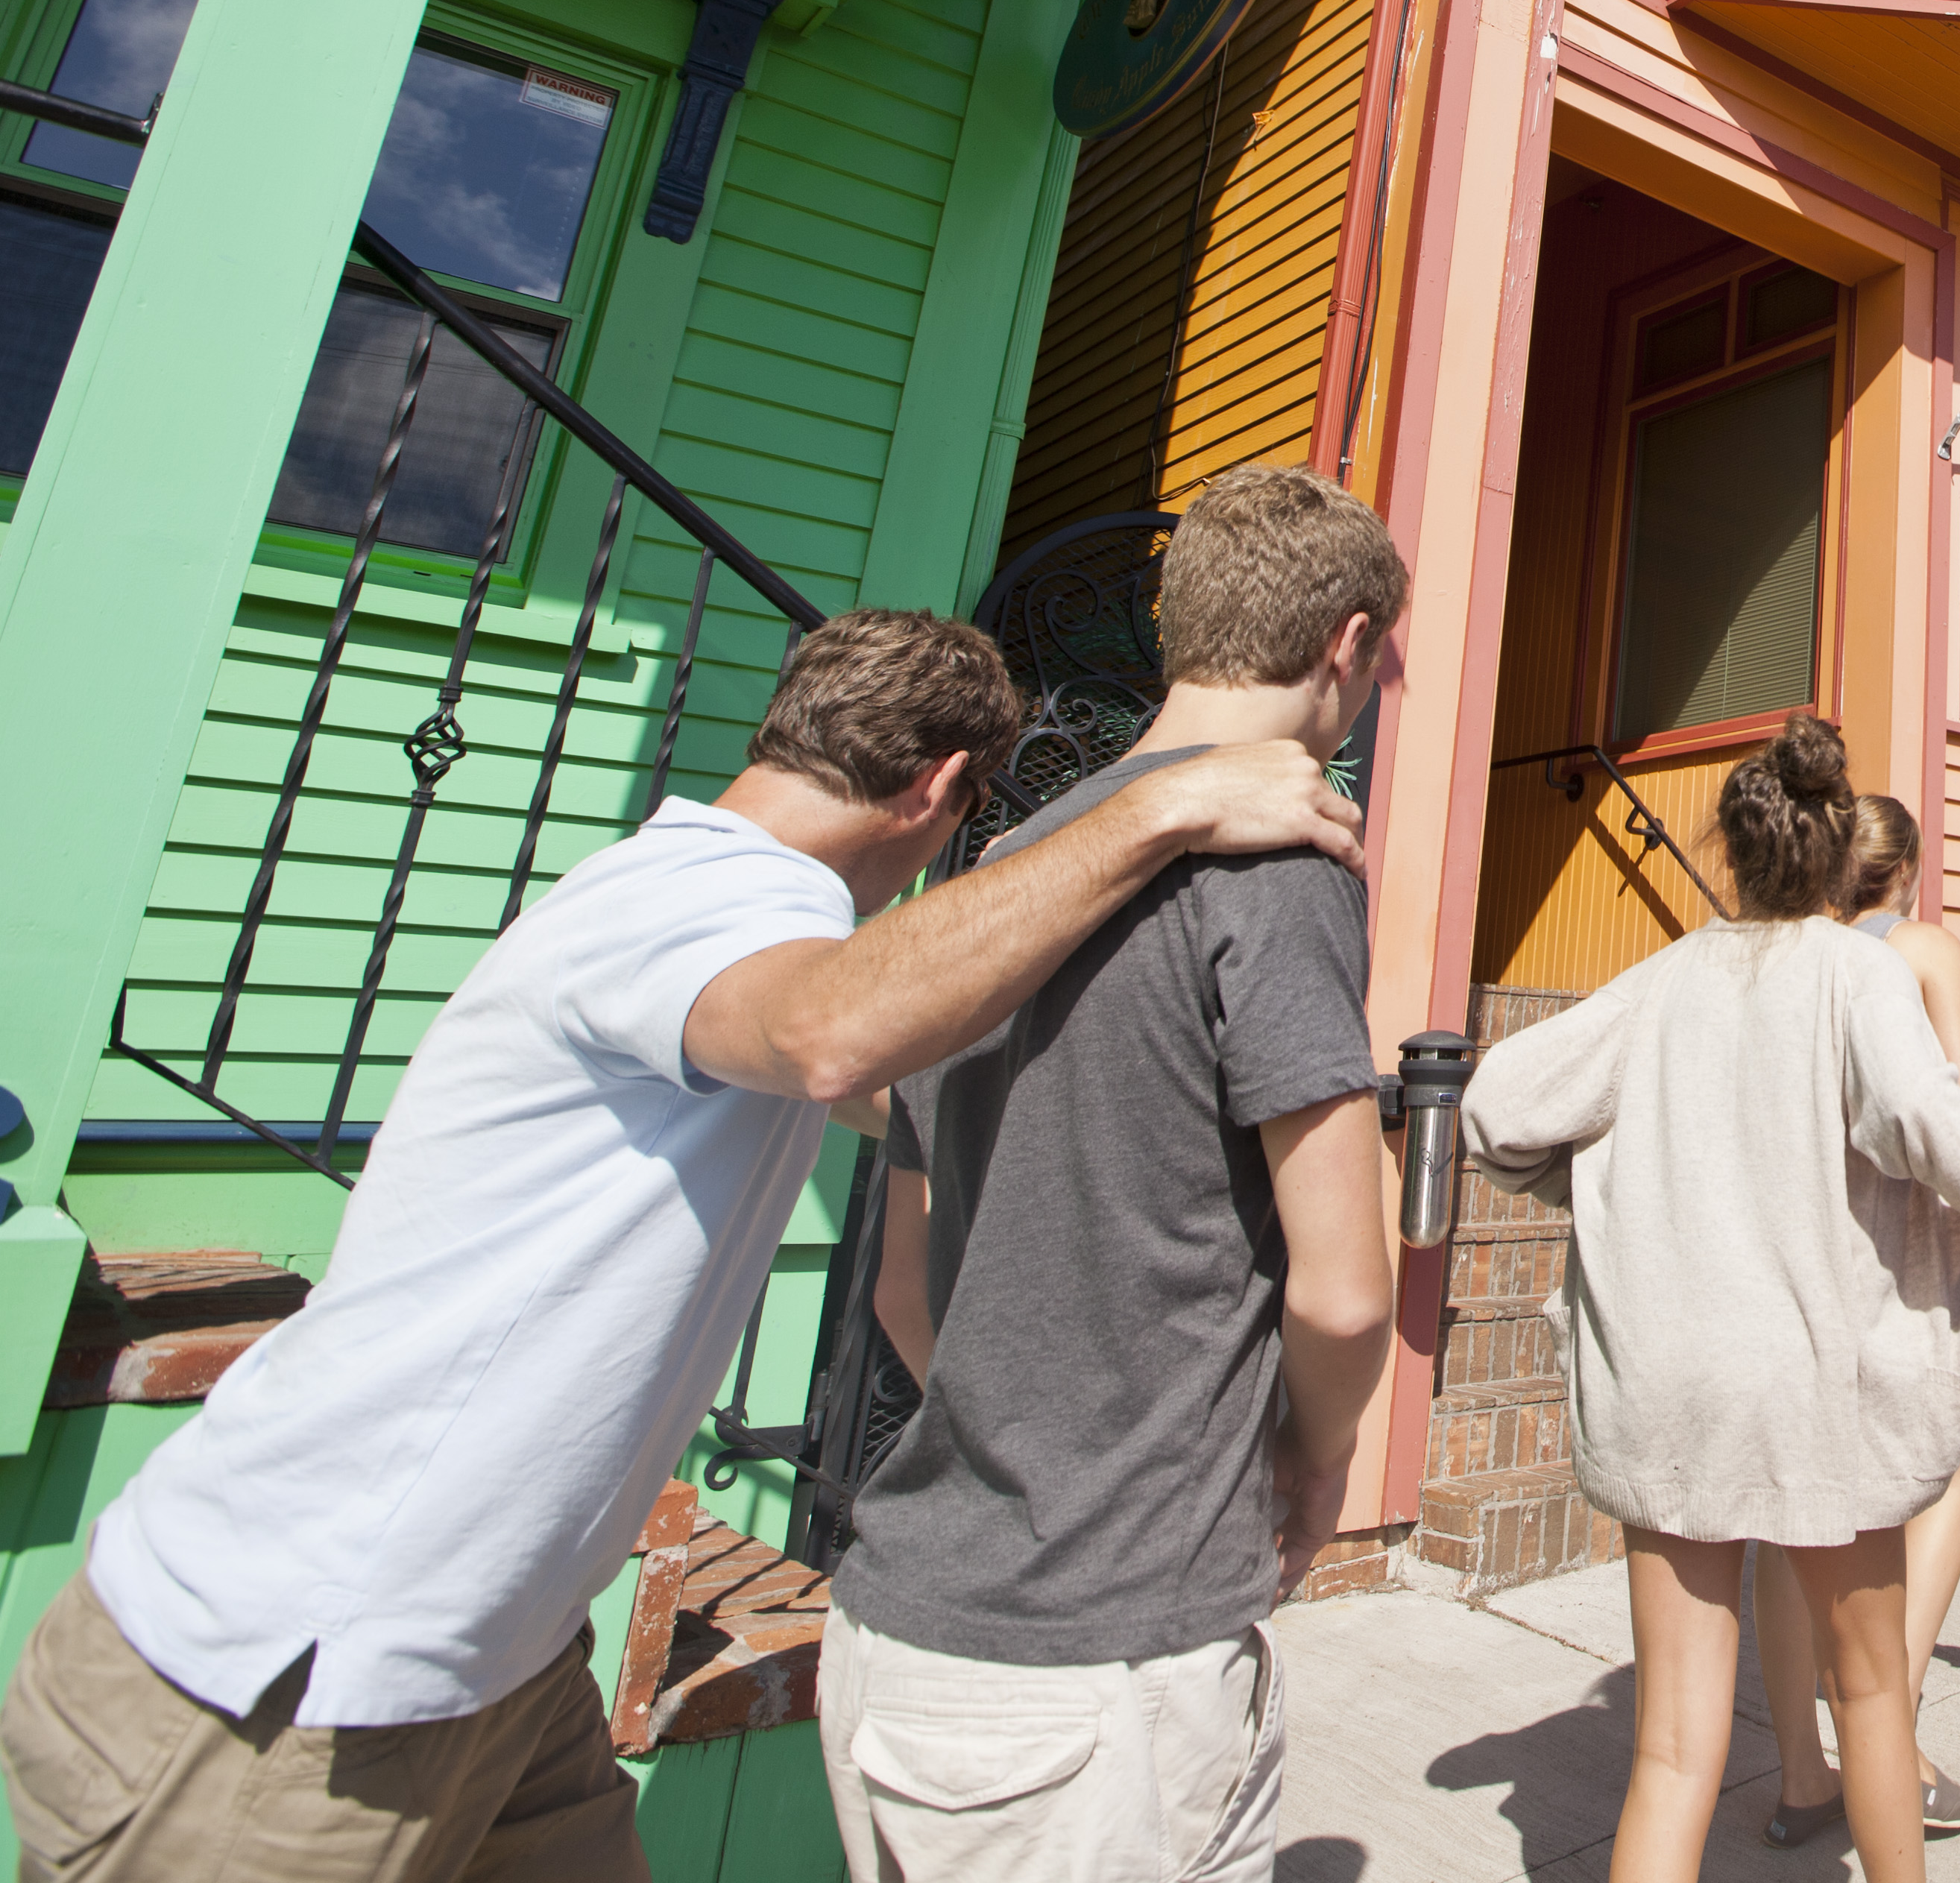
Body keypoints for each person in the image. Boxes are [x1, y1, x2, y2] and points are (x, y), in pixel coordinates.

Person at [1, 610, 1366, 1882]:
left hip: (505, 1661)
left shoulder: (728, 927)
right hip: (298, 1673)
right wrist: (1164, 800)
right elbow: (837, 1034)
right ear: (943, 793)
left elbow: (942, 1090)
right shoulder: (706, 907)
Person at [821, 467, 1409, 1883]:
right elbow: (1341, 1293)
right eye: (1386, 649)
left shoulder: (1006, 866)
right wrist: (1316, 1461)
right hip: (1099, 1678)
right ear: (1342, 643)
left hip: (897, 1632)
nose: (1385, 675)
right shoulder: (1277, 853)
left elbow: (907, 1290)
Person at [1461, 722, 1960, 1883]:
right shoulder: (1857, 972)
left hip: (1667, 1382)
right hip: (1816, 1387)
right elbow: (1931, 1120)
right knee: (1873, 1696)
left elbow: (1499, 1107)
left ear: (1734, 856)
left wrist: (1589, 1180)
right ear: (1838, 859)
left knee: (1670, 1748)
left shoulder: (1660, 979)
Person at [1756, 794, 1960, 1845]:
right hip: (1892, 1258)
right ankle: (1887, 1727)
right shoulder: (1920, 950)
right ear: (1908, 870)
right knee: (1954, 1465)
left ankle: (1804, 1780)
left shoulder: (1781, 956)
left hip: (1783, 1250)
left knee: (1784, 1514)